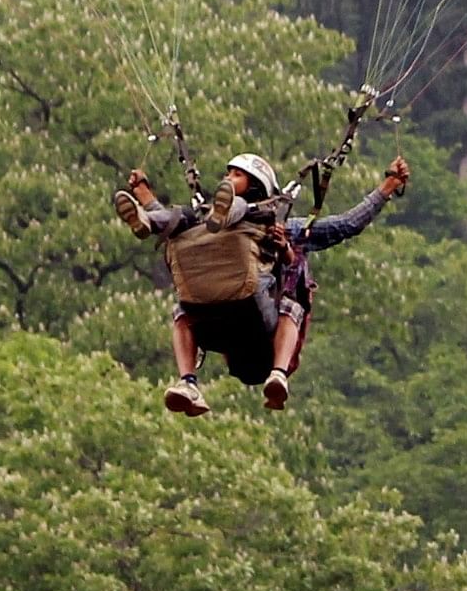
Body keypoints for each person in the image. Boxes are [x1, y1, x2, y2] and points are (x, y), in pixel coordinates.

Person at [116, 148, 410, 414]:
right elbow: (175, 222)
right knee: (182, 304)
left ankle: (278, 375)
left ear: (256, 185)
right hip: (222, 325)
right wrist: (144, 196)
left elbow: (346, 225)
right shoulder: (204, 222)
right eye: (228, 174)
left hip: (260, 331)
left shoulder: (283, 229)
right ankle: (188, 383)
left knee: (291, 306)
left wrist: (386, 188)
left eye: (237, 175)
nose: (228, 178)